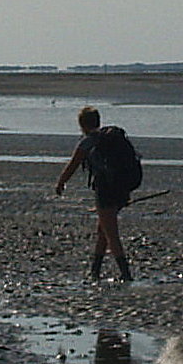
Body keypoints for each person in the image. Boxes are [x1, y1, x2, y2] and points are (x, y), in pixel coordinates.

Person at [52, 105, 138, 281]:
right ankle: (95, 272)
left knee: (111, 233)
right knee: (103, 230)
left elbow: (73, 164)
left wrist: (60, 183)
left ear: (82, 124)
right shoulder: (113, 138)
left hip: (105, 190)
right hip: (122, 188)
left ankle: (125, 273)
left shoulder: (88, 141)